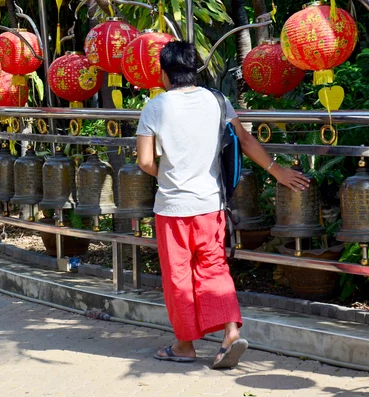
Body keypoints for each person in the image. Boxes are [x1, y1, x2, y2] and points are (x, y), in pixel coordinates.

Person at [136, 41, 310, 369]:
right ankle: (230, 332)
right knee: (214, 268)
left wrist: (169, 175)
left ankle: (185, 345)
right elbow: (244, 139)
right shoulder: (218, 100)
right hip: (211, 205)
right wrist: (278, 171)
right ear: (195, 70)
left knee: (178, 276)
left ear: (164, 73)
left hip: (173, 209)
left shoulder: (155, 108)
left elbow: (145, 162)